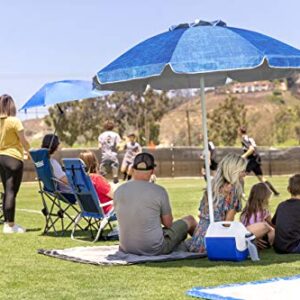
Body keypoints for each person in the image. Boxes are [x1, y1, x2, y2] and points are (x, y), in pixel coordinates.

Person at [114, 152, 197, 255]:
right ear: (152, 171)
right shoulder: (159, 191)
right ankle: (202, 244)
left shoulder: (119, 190)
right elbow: (168, 224)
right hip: (153, 249)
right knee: (190, 220)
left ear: (133, 169)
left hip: (126, 248)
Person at [189, 153, 247, 253]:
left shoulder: (212, 185)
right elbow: (227, 224)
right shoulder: (232, 191)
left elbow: (201, 214)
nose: (245, 174)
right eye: (243, 171)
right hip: (214, 241)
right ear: (234, 171)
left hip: (198, 240)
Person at [0, 94, 30, 233]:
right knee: (12, 191)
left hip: (1, 158)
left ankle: (7, 223)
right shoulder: (14, 121)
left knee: (7, 191)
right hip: (13, 159)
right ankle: (10, 225)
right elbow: (23, 141)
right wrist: (29, 152)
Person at [239, 126, 280, 196]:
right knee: (261, 178)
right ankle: (275, 192)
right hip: (256, 159)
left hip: (253, 160)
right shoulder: (249, 138)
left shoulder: (244, 139)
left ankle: (242, 193)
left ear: (239, 132)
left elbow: (251, 149)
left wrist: (243, 156)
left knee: (240, 175)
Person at [79, 150, 115, 215]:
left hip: (90, 210)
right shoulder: (96, 178)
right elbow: (115, 196)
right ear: (94, 163)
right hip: (108, 209)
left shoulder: (80, 180)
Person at [240, 182, 275, 248]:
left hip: (245, 237)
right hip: (260, 239)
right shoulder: (265, 213)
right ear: (264, 198)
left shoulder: (246, 212)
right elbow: (271, 225)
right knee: (272, 230)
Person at [272, 174, 300, 254]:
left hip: (279, 247)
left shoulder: (281, 205)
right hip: (295, 246)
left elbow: (274, 224)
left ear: (289, 189)